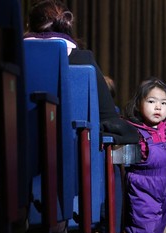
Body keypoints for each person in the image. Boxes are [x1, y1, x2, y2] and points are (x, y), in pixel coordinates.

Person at [24, 0, 138, 144]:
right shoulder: (83, 60)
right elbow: (108, 117)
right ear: (66, 25)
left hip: (15, 150)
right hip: (74, 153)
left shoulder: (12, 58)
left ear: (29, 25)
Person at [122, 77, 166, 233]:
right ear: (139, 103)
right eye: (151, 101)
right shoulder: (134, 130)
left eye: (163, 103)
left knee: (157, 227)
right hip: (142, 183)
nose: (158, 107)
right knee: (145, 224)